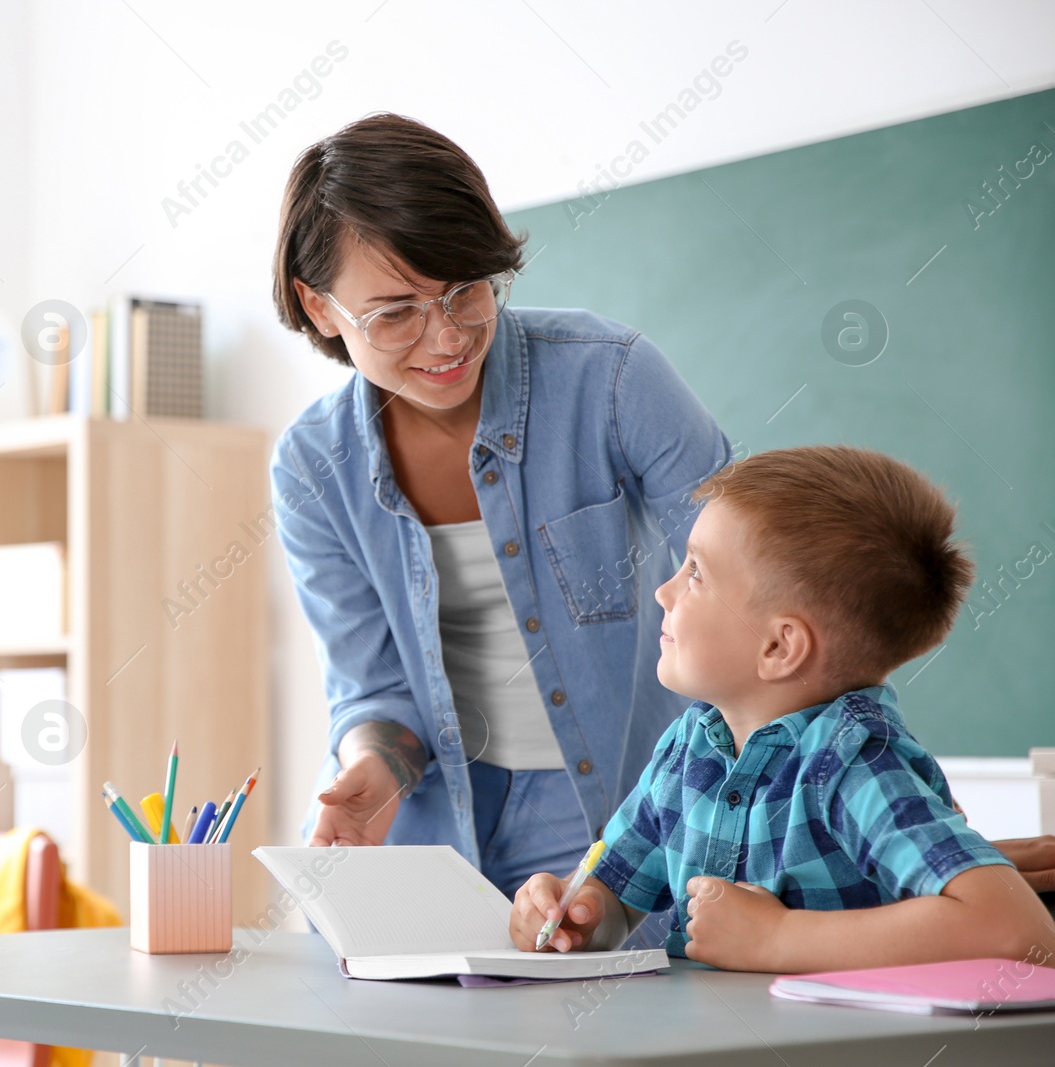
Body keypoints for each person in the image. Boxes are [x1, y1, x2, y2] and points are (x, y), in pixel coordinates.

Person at [269, 112, 730, 918]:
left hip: (623, 830)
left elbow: (758, 571)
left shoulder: (611, 379)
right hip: (430, 841)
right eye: (395, 312)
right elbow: (372, 690)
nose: (447, 337)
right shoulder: (313, 466)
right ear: (319, 306)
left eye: (466, 290)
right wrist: (372, 767)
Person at [509, 446, 1055, 970]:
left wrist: (777, 938)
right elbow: (620, 898)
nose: (664, 592)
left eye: (696, 573)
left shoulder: (855, 764)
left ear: (778, 647)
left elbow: (1017, 932)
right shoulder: (688, 745)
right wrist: (577, 917)